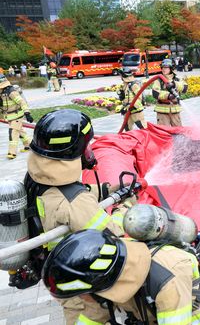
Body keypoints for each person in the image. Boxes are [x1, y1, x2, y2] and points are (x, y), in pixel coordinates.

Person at [21, 108, 129, 324]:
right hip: (76, 278)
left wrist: (108, 189)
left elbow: (68, 194)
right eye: (86, 145)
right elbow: (112, 237)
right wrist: (122, 210)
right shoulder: (75, 202)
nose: (89, 151)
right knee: (86, 316)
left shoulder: (37, 179)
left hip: (49, 266)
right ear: (74, 150)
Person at [42, 228, 200, 324]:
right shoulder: (109, 268)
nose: (80, 299)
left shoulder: (166, 281)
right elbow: (93, 317)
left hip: (193, 315)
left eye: (80, 294)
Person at [0, 74, 32, 159]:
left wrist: (27, 113)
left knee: (13, 133)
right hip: (10, 116)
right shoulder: (2, 92)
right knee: (20, 131)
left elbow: (22, 102)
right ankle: (29, 145)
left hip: (17, 116)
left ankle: (12, 152)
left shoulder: (11, 92)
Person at [152, 58, 187, 127]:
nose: (163, 69)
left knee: (178, 131)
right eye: (162, 67)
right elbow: (155, 93)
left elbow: (185, 88)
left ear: (171, 68)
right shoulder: (159, 80)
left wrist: (175, 84)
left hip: (175, 110)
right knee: (164, 132)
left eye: (166, 67)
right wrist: (168, 96)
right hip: (162, 111)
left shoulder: (177, 79)